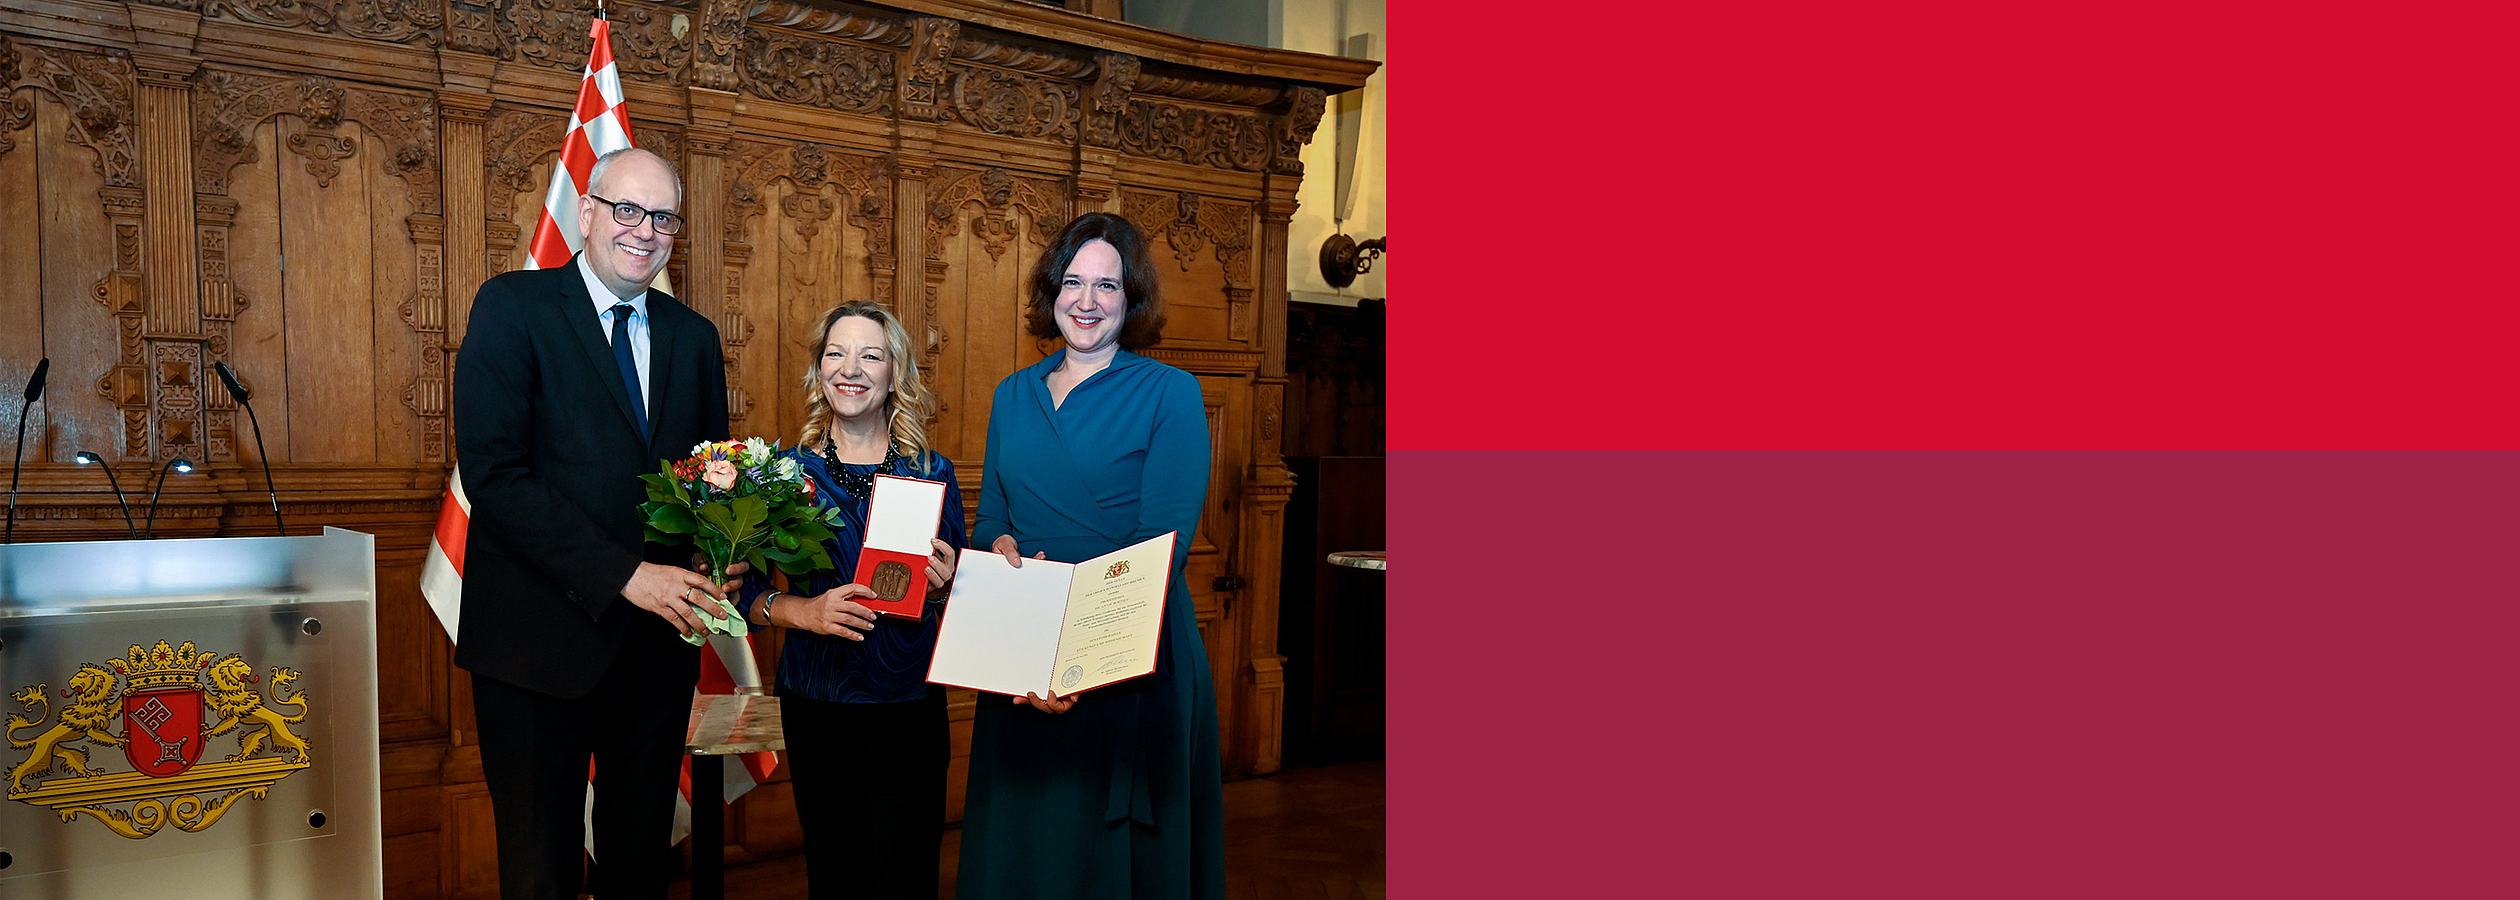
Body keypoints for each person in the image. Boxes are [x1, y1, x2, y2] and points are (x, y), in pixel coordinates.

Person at [452, 146, 742, 900]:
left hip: (654, 653)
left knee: (640, 864)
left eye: (663, 217)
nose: (645, 230)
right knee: (540, 869)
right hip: (535, 646)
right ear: (587, 212)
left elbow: (709, 477)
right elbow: (496, 476)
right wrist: (626, 575)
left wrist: (727, 552)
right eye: (627, 210)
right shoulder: (512, 307)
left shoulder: (694, 336)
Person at [956, 211, 1224, 900]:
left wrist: (1077, 663)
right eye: (1072, 282)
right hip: (1022, 657)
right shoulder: (1012, 395)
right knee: (1026, 856)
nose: (1087, 301)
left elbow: (1160, 545)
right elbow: (992, 520)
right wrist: (997, 547)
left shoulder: (1171, 392)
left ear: (1132, 298)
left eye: (1107, 286)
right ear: (1051, 292)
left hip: (1127, 654)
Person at [731, 300, 966, 900]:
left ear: (895, 373)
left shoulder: (932, 472)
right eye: (836, 353)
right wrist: (801, 612)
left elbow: (960, 597)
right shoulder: (784, 472)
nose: (850, 368)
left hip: (908, 702)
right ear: (819, 370)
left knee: (907, 873)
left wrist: (947, 584)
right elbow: (743, 593)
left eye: (870, 355)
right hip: (818, 700)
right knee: (834, 875)